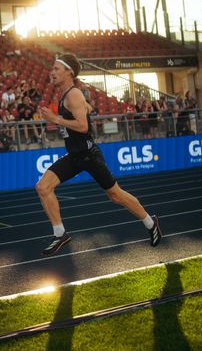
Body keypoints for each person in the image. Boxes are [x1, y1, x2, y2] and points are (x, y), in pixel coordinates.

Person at [36, 53, 162, 255]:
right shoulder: (68, 94)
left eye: (56, 69)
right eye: (52, 69)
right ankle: (60, 234)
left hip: (89, 155)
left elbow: (82, 126)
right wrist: (85, 106)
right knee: (43, 187)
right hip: (75, 157)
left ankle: (150, 222)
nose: (52, 72)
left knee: (115, 195)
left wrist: (56, 119)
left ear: (69, 72)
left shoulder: (73, 94)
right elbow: (86, 110)